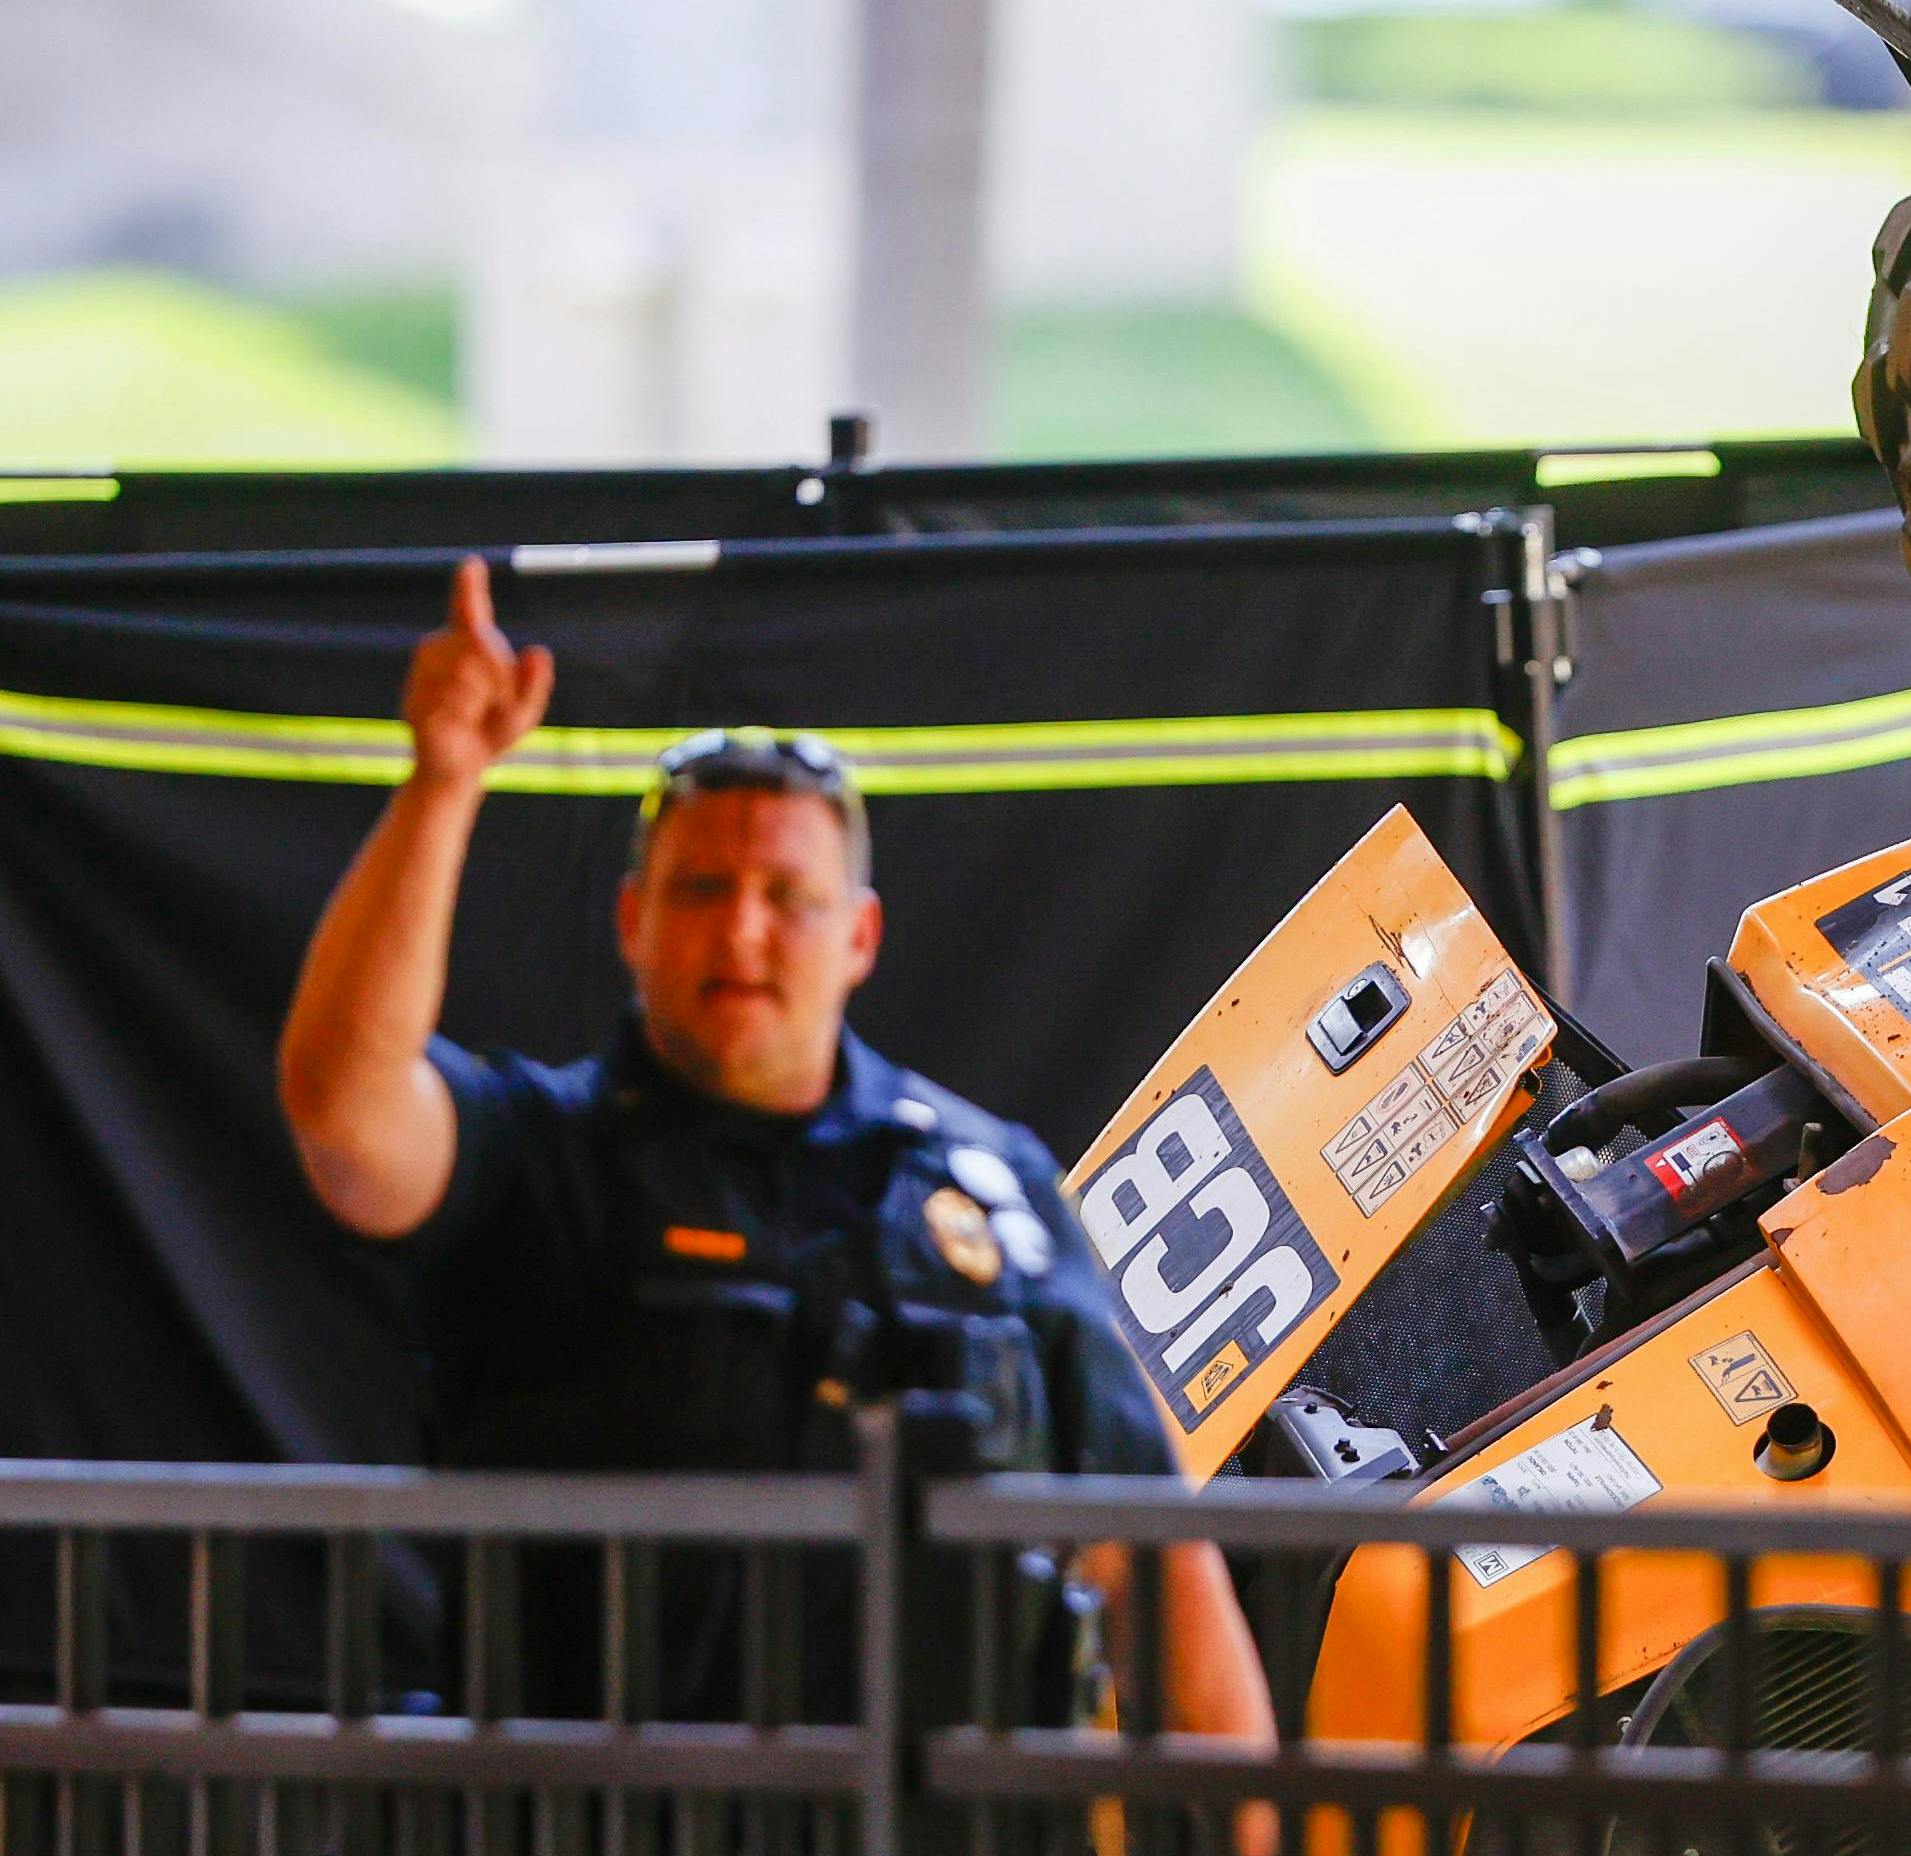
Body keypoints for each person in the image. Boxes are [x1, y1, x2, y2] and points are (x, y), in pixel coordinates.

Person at [278, 557, 1275, 1742]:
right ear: (633, 921)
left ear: (858, 937)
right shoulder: (534, 1158)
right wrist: (442, 785)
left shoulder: (994, 1189)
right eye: (701, 890)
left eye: (787, 897)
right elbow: (343, 1110)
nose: (742, 931)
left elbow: (1153, 1566)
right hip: (598, 1854)